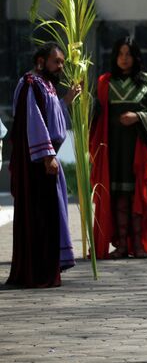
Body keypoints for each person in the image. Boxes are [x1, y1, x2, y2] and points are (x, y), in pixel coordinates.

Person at [7, 43, 78, 288]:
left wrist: (66, 99)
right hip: (37, 164)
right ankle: (36, 272)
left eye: (62, 62)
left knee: (51, 216)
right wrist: (47, 155)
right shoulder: (30, 84)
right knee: (39, 217)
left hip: (47, 160)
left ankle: (48, 268)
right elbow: (33, 121)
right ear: (40, 62)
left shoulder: (46, 85)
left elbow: (53, 113)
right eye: (56, 62)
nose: (61, 67)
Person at [90, 37, 147, 259]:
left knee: (137, 195)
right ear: (115, 56)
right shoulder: (105, 82)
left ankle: (139, 244)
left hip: (137, 149)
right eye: (120, 54)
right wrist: (82, 102)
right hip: (112, 149)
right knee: (119, 196)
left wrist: (138, 116)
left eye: (128, 54)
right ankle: (122, 244)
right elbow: (95, 114)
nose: (124, 58)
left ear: (135, 57)